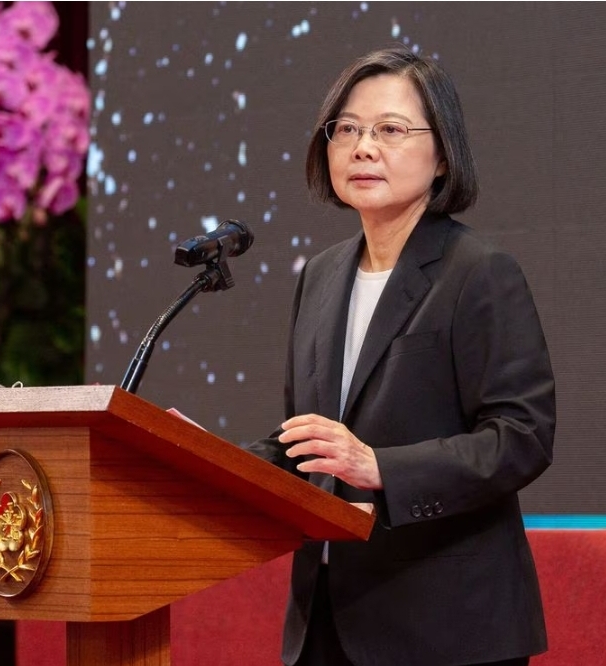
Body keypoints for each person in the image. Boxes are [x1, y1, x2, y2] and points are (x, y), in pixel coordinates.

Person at [245, 46, 556, 666]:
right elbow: (308, 442)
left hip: (446, 628)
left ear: (442, 156)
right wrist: (200, 458)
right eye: (346, 129)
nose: (363, 148)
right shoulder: (320, 276)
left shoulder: (478, 272)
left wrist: (379, 467)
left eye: (390, 130)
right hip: (325, 620)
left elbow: (520, 437)